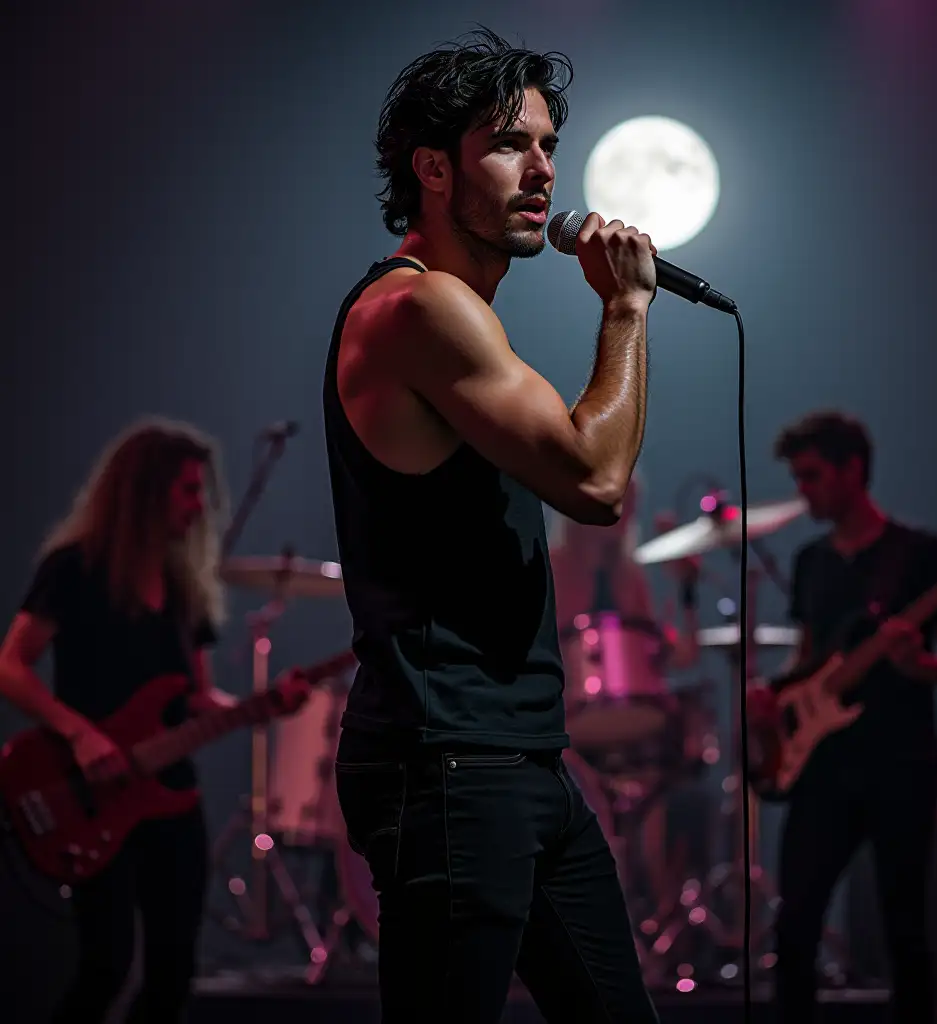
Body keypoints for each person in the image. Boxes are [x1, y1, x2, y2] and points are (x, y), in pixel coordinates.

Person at [323, 27, 669, 1024]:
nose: (545, 170)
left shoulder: (460, 315)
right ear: (434, 167)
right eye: (510, 143)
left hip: (516, 757)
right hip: (447, 762)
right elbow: (596, 482)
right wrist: (625, 312)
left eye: (549, 145)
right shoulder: (416, 311)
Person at [0, 418, 309, 1024]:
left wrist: (266, 705)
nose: (200, 507)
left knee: (172, 977)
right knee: (104, 968)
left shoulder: (182, 587)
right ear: (143, 493)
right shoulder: (73, 570)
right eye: (188, 491)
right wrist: (81, 734)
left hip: (169, 799)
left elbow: (197, 700)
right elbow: (11, 667)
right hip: (90, 794)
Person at [766, 410, 937, 1024]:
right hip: (825, 769)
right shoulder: (811, 562)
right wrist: (774, 701)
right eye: (798, 477)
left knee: (903, 929)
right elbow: (808, 661)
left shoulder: (921, 553)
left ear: (853, 470)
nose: (802, 491)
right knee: (794, 925)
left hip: (901, 764)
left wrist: (920, 666)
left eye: (812, 476)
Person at [548, 478, 704, 916]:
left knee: (655, 789)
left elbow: (676, 658)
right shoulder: (554, 567)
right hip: (563, 721)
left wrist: (686, 591)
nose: (623, 517)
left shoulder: (629, 576)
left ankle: (651, 914)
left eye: (629, 506)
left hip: (626, 724)